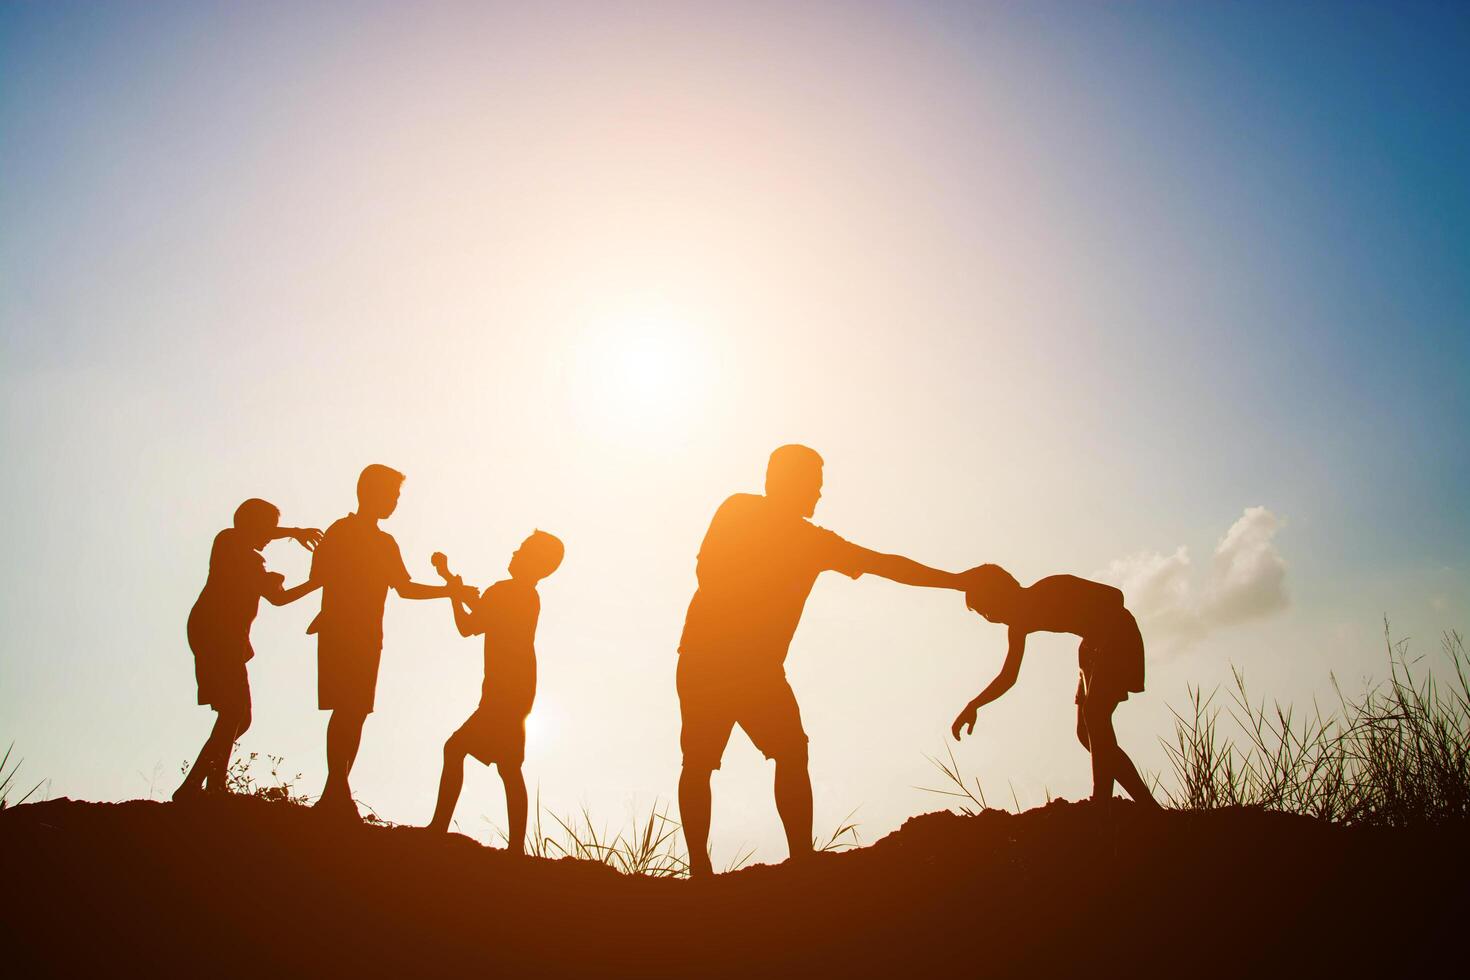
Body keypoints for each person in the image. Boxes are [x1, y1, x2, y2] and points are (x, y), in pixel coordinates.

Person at [677, 444, 968, 876]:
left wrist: (958, 581)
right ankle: (703, 868)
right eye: (813, 485)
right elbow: (707, 571)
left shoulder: (810, 541)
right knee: (704, 762)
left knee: (789, 751)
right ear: (785, 482)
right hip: (711, 660)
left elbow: (884, 565)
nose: (818, 495)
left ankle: (799, 861)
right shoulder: (745, 513)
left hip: (748, 666)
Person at [308, 464, 458, 821]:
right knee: (345, 710)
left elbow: (404, 589)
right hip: (340, 631)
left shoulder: (384, 541)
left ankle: (335, 793)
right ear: (369, 493)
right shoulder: (341, 531)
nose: (394, 502)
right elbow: (319, 576)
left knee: (356, 712)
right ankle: (338, 793)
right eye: (391, 495)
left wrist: (448, 590)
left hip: (368, 636)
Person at [950, 564, 1160, 809]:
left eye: (987, 610)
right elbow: (1008, 677)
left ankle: (1102, 802)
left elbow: (1115, 596)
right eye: (984, 615)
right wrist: (973, 705)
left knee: (1095, 715)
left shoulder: (1050, 588)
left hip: (1117, 634)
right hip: (1091, 648)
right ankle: (1147, 806)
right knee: (1085, 732)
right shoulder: (1018, 627)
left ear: (1001, 593)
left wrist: (1099, 635)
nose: (991, 618)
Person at [175, 499, 321, 802]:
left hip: (224, 637)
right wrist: (315, 579)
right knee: (234, 713)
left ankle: (206, 784)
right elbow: (278, 597)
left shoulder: (239, 552)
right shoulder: (231, 544)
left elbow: (277, 597)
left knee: (239, 717)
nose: (271, 536)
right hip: (217, 635)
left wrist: (310, 572)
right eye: (269, 529)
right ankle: (204, 787)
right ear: (255, 526)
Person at [426, 532, 564, 849]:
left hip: (503, 691)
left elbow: (469, 626)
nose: (515, 552)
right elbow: (484, 610)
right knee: (508, 765)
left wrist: (450, 592)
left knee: (456, 749)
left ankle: (438, 828)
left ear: (534, 562)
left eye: (522, 550)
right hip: (517, 690)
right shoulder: (526, 595)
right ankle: (516, 847)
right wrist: (451, 580)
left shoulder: (507, 592)